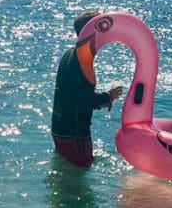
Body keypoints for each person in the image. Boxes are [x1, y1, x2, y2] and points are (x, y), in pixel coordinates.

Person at [51, 11, 123, 168]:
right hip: (74, 134)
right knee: (79, 177)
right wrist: (107, 97)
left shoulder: (70, 54)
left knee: (67, 175)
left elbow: (74, 94)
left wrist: (104, 100)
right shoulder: (81, 59)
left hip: (60, 128)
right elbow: (83, 100)